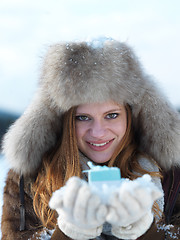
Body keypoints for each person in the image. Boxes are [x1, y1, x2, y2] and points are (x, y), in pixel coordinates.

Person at [1, 38, 180, 240]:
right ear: (66, 122)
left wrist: (146, 232)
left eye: (111, 115)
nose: (98, 132)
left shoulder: (170, 175)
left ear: (131, 116)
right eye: (83, 118)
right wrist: (67, 234)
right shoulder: (31, 179)